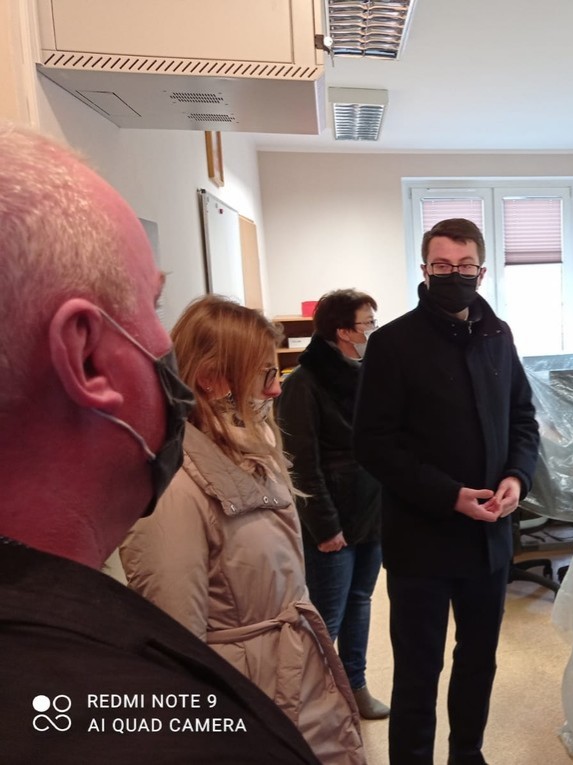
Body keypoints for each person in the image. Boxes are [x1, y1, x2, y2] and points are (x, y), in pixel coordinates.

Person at [0, 124, 318, 763]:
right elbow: (181, 632)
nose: (167, 343)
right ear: (86, 356)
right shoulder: (139, 706)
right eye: (153, 303)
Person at [118, 295, 366, 765]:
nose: (275, 390)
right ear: (212, 379)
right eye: (265, 374)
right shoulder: (175, 488)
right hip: (247, 693)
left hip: (290, 674)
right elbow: (178, 641)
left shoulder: (250, 447)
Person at [353, 217, 540, 765]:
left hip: (489, 540)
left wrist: (517, 477)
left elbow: (522, 419)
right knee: (418, 671)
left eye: (463, 266)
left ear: (481, 272)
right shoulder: (392, 344)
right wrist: (449, 495)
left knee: (479, 661)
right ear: (424, 269)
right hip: (422, 541)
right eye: (441, 266)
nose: (452, 275)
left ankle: (467, 753)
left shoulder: (498, 335)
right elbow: (373, 444)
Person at [276, 288, 389, 720]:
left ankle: (354, 686)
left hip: (370, 512)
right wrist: (325, 527)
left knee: (361, 601)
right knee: (326, 617)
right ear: (343, 331)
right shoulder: (302, 384)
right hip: (332, 521)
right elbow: (301, 465)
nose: (373, 330)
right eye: (368, 323)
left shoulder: (367, 375)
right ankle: (313, 699)